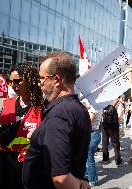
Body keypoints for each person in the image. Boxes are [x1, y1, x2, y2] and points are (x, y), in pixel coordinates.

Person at [22, 52, 91, 189]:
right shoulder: (78, 109)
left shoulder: (58, 116)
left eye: (42, 78)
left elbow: (61, 178)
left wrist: (79, 186)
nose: (39, 83)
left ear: (57, 80)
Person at [0, 64, 43, 189]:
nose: (14, 85)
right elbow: (2, 140)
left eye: (18, 81)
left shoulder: (42, 107)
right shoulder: (7, 104)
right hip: (7, 164)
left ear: (29, 80)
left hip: (30, 164)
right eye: (11, 81)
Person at [82, 99, 102, 186]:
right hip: (94, 134)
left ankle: (92, 180)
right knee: (86, 157)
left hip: (93, 134)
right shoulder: (96, 106)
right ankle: (87, 175)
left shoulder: (94, 108)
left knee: (89, 159)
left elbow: (88, 122)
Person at [101, 102, 123, 167]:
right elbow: (118, 118)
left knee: (105, 142)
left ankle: (105, 159)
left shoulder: (104, 108)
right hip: (114, 127)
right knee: (116, 143)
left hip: (105, 127)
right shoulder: (114, 109)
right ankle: (118, 160)